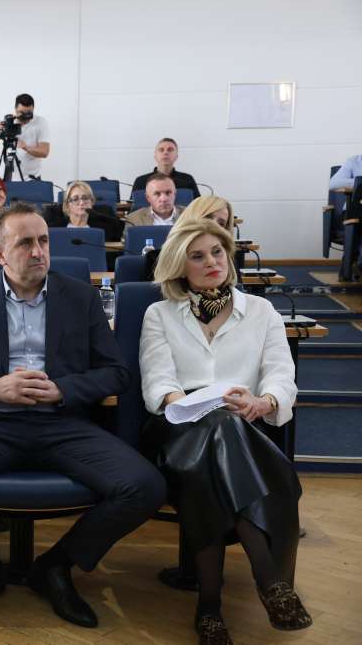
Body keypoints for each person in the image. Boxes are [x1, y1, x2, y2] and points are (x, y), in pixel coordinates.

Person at [0, 202, 165, 626]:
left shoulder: (80, 297)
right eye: (25, 243)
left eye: (43, 240)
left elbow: (115, 372)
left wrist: (64, 389)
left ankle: (57, 565)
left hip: (62, 422)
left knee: (145, 486)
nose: (38, 251)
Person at [139, 219, 311, 644]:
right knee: (219, 423)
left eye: (217, 252)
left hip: (242, 428)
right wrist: (196, 404)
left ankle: (209, 608)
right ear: (180, 266)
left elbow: (281, 376)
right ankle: (269, 580)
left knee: (220, 445)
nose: (212, 262)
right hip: (178, 429)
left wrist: (263, 402)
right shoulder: (159, 313)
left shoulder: (262, 311)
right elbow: (158, 383)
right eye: (197, 256)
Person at [141, 194, 237, 281]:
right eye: (207, 218)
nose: (213, 225)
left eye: (221, 224)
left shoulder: (226, 260)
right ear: (190, 218)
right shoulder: (155, 259)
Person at [0, 93, 51, 180]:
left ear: (33, 109)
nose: (25, 116)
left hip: (31, 179)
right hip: (8, 179)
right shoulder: (9, 122)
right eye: (22, 113)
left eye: (28, 113)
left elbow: (44, 152)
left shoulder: (40, 122)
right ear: (15, 109)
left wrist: (26, 147)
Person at [44, 181, 125, 241]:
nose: (81, 203)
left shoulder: (104, 224)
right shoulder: (54, 226)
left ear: (92, 202)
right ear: (67, 205)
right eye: (75, 199)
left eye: (85, 198)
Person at [132, 138, 200, 198]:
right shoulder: (141, 181)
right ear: (155, 156)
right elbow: (132, 206)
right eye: (161, 150)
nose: (165, 153)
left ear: (176, 156)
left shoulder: (187, 180)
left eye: (170, 150)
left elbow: (199, 206)